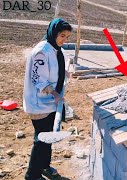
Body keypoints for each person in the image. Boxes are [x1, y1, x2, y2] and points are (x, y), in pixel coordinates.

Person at [23, 18, 72, 180]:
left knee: (47, 137)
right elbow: (39, 79)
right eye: (62, 36)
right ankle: (32, 175)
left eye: (67, 37)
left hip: (49, 103)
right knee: (41, 140)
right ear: (53, 33)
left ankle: (44, 166)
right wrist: (56, 94)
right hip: (39, 104)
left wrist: (62, 73)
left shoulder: (53, 47)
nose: (64, 40)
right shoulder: (42, 51)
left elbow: (52, 68)